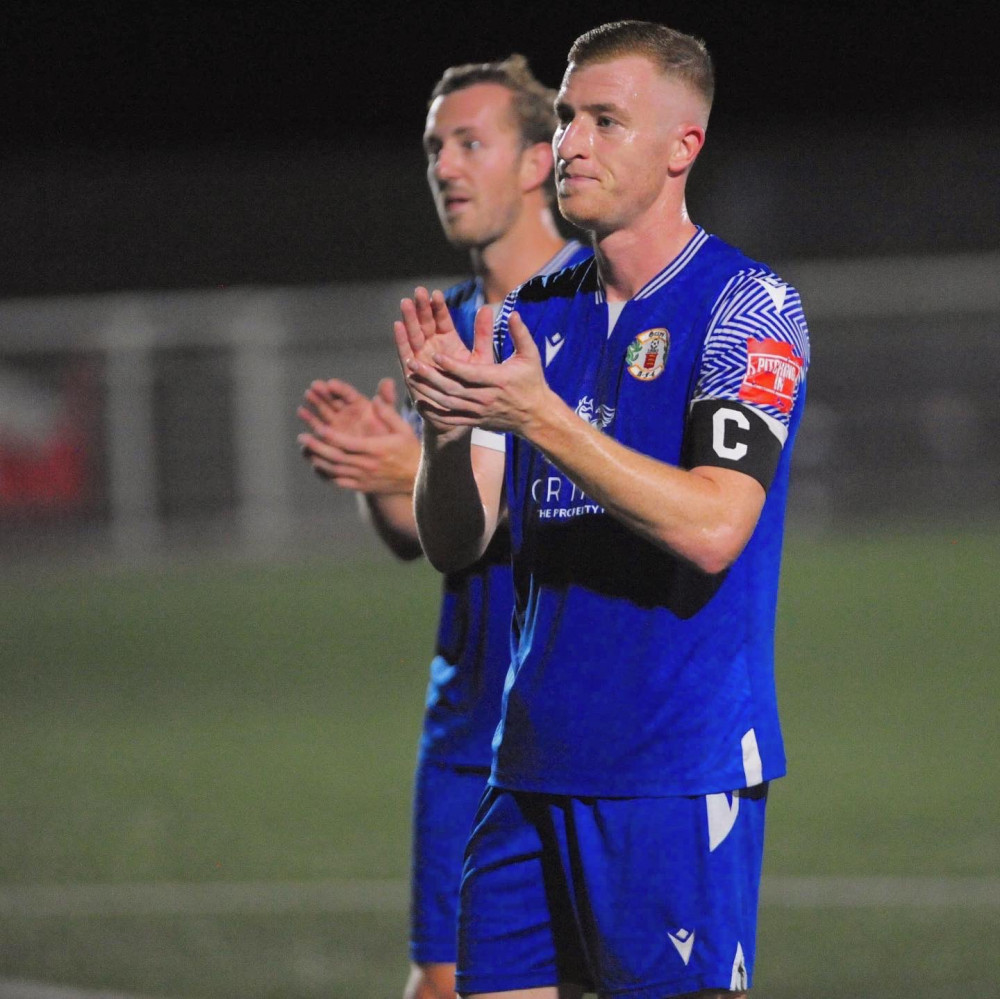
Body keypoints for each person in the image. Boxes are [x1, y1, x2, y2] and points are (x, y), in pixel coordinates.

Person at [396, 19, 810, 999]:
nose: (572, 143)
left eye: (606, 121)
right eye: (571, 117)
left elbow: (714, 526)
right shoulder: (535, 308)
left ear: (681, 147)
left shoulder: (746, 305)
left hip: (671, 772)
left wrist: (540, 417)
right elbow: (458, 542)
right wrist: (450, 428)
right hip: (528, 762)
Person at [297, 54, 590, 999]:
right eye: (434, 148)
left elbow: (597, 492)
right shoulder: (452, 322)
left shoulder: (599, 309)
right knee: (442, 983)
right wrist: (382, 471)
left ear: (539, 161)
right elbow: (423, 540)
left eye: (471, 142)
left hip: (584, 723)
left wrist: (419, 462)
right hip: (467, 721)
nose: (447, 168)